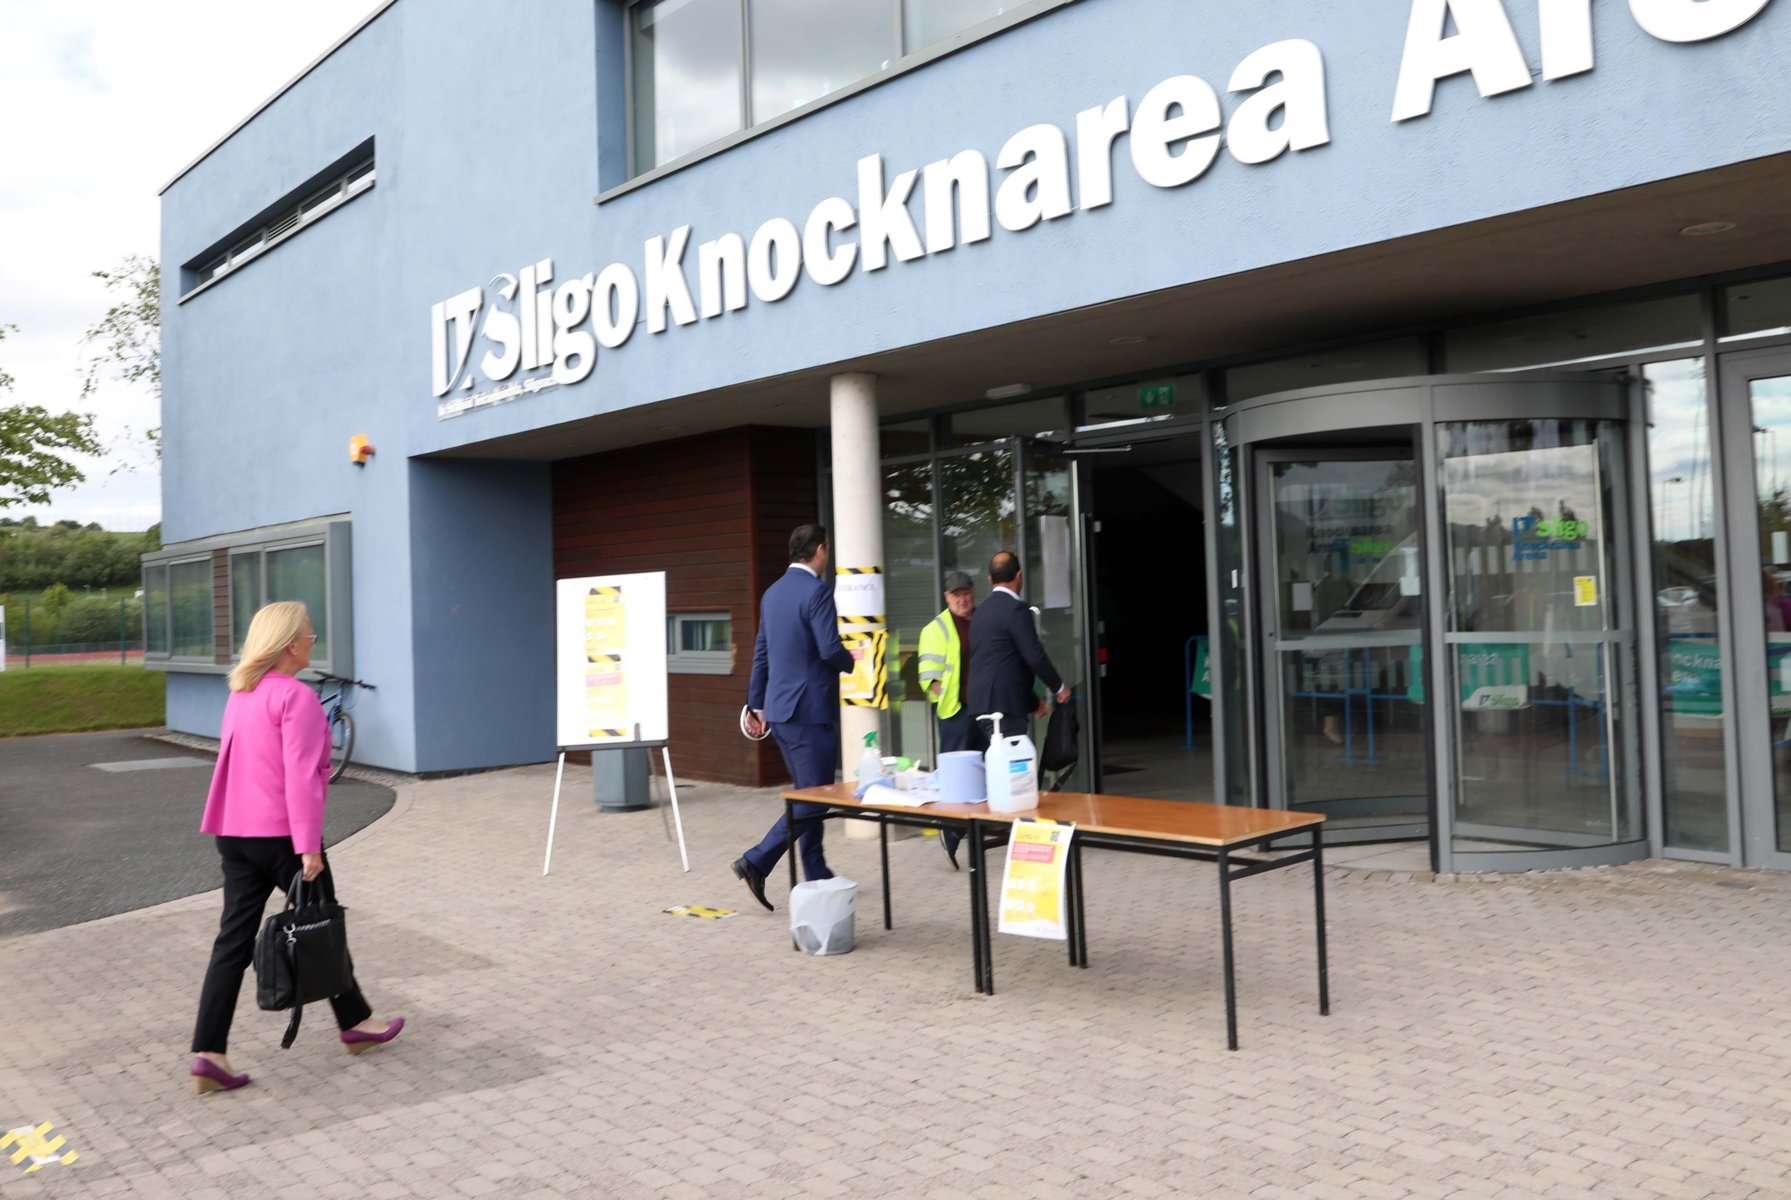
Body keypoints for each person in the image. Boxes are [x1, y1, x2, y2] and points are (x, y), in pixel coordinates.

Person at [189, 601, 402, 1095]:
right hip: (284, 838)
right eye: (309, 634)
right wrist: (309, 848)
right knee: (321, 924)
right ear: (290, 644)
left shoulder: (242, 693)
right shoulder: (296, 698)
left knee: (233, 943)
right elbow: (302, 779)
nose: (314, 639)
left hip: (235, 834)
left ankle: (208, 1053)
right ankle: (356, 1025)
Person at [733, 524, 857, 911]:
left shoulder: (772, 594)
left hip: (782, 714)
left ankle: (817, 873)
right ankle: (757, 860)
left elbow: (761, 653)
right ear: (820, 550)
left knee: (810, 795)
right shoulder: (818, 592)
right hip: (809, 712)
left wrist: (756, 705)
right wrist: (853, 659)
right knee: (812, 799)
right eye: (828, 549)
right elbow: (828, 647)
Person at [966, 551, 1070, 743]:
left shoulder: (980, 613)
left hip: (980, 704)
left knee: (998, 766)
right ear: (1019, 575)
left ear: (990, 579)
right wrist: (1059, 687)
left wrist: (1032, 701)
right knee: (1014, 768)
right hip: (1003, 709)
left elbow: (1004, 663)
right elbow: (1033, 656)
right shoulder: (1015, 608)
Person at [918, 570, 984, 868]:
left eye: (966, 592)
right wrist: (938, 690)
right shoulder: (937, 628)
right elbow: (928, 674)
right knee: (958, 780)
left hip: (984, 709)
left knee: (984, 773)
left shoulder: (983, 619)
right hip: (955, 711)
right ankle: (951, 831)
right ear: (946, 597)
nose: (962, 599)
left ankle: (973, 830)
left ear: (973, 592)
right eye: (956, 594)